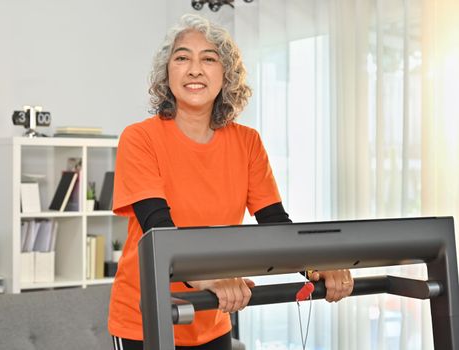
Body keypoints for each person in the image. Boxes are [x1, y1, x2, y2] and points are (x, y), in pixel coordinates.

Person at [108, 13, 354, 350]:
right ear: (167, 74)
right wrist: (208, 278)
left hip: (213, 315)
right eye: (182, 58)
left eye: (208, 59)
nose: (195, 68)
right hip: (145, 318)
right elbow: (158, 231)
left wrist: (315, 267)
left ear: (226, 75)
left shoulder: (247, 142)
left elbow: (275, 224)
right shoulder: (139, 138)